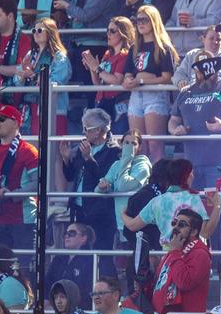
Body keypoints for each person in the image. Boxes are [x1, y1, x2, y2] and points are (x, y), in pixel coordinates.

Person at [169, 53, 221, 188]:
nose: (207, 74)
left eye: (210, 70)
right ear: (195, 71)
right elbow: (173, 120)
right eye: (202, 71)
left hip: (220, 163)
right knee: (194, 206)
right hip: (190, 165)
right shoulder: (185, 92)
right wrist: (175, 130)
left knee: (216, 204)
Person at [61, 108, 121, 263]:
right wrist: (66, 159)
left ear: (99, 131)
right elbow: (70, 176)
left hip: (100, 212)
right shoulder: (84, 148)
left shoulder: (114, 151)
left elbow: (103, 180)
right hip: (80, 209)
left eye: (86, 129)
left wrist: (89, 159)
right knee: (81, 257)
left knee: (101, 255)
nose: (83, 132)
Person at [122, 4, 178, 161]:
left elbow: (167, 77)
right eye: (138, 20)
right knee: (138, 146)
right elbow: (127, 72)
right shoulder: (134, 47)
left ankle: (159, 182)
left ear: (154, 21)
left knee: (154, 145)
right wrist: (128, 80)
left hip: (155, 96)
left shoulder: (163, 47)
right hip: (135, 96)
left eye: (145, 19)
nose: (140, 23)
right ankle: (143, 182)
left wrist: (142, 80)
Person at [0, 104, 39, 256]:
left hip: (23, 221)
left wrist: (13, 193)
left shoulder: (28, 150)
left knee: (23, 270)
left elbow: (38, 183)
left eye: (2, 119)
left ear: (15, 123)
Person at [16, 17, 72, 135]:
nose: (36, 33)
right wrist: (21, 76)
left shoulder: (59, 56)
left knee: (53, 149)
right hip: (29, 110)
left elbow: (56, 82)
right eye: (33, 31)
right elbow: (17, 80)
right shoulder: (30, 55)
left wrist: (34, 76)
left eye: (40, 30)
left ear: (50, 33)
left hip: (52, 109)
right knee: (33, 148)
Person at [99, 129, 152, 238]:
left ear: (140, 147)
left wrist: (127, 158)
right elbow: (99, 189)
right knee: (120, 255)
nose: (129, 146)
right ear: (121, 144)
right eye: (127, 143)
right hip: (119, 225)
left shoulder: (143, 166)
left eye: (133, 143)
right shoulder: (116, 165)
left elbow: (123, 186)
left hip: (138, 224)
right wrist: (104, 187)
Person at [84, 16, 135, 127]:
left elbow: (117, 80)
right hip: (101, 100)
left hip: (116, 102)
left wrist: (97, 68)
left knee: (115, 137)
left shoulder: (125, 55)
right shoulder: (108, 54)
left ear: (123, 33)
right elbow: (98, 83)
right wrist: (93, 68)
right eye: (107, 30)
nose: (108, 34)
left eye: (112, 31)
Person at [45, 223, 95, 301]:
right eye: (65, 233)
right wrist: (47, 300)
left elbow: (88, 290)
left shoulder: (90, 260)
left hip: (79, 308)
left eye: (72, 233)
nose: (67, 236)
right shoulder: (58, 259)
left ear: (83, 238)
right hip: (55, 305)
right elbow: (47, 283)